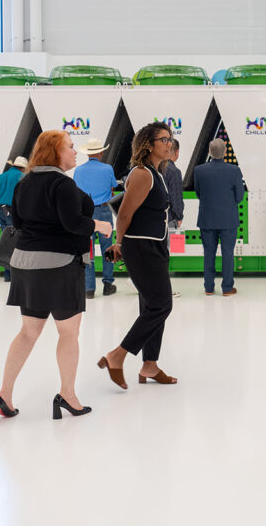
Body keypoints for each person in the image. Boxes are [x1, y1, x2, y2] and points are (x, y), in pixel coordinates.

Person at [0, 131, 110, 422]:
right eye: (69, 147)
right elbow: (73, 223)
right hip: (60, 267)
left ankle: (3, 394)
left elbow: (18, 222)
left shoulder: (23, 183)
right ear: (55, 152)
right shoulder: (61, 184)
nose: (75, 152)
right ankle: (67, 395)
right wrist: (99, 225)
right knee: (68, 333)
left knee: (28, 332)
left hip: (25, 266)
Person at [98, 122, 180, 389]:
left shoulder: (156, 172)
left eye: (171, 139)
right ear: (149, 144)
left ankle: (150, 365)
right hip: (140, 247)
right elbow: (124, 214)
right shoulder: (143, 174)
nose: (169, 143)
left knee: (150, 305)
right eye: (164, 139)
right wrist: (118, 244)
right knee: (161, 305)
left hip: (155, 245)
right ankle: (117, 356)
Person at [193, 138, 245, 296]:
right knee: (228, 253)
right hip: (228, 219)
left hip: (207, 218)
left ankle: (209, 288)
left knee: (208, 252)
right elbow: (239, 196)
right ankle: (227, 288)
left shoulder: (199, 170)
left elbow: (198, 193)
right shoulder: (234, 170)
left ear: (209, 152)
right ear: (226, 152)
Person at [72, 138, 118, 298]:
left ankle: (89, 289)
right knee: (108, 249)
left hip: (86, 214)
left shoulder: (79, 171)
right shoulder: (107, 169)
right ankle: (108, 284)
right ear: (99, 152)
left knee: (88, 249)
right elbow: (113, 187)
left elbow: (76, 192)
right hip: (104, 212)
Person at [0, 156, 27, 282]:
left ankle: (8, 275)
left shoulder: (0, 177)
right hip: (12, 211)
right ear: (23, 168)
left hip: (0, 211)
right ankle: (13, 275)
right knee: (14, 242)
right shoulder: (21, 177)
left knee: (6, 240)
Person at [162, 139, 184, 299]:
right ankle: (164, 289)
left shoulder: (155, 167)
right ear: (175, 152)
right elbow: (176, 197)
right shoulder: (174, 171)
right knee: (165, 254)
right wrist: (179, 216)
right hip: (167, 218)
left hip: (153, 218)